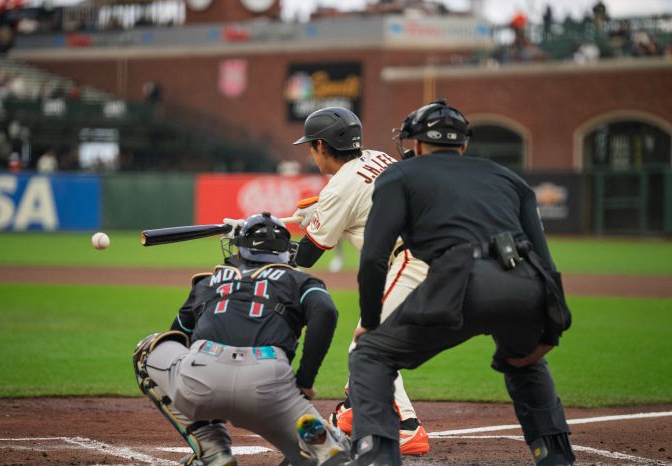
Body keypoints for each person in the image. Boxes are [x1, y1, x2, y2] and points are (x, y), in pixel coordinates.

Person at [347, 99, 574, 466]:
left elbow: (374, 257)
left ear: (416, 145)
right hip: (526, 284)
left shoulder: (400, 175)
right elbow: (546, 263)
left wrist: (371, 323)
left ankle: (379, 456)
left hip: (460, 281)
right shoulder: (509, 178)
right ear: (463, 145)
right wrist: (550, 334)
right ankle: (556, 457)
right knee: (524, 361)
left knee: (371, 354)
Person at [132, 212, 352, 466]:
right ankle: (319, 445)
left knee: (147, 350)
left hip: (202, 376)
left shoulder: (207, 282)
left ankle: (212, 448)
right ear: (284, 253)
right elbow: (325, 311)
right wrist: (305, 380)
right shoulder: (299, 281)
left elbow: (177, 338)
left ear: (240, 250)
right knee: (308, 449)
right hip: (268, 382)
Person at [291, 107, 430, 456]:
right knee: (369, 343)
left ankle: (407, 427)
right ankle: (354, 409)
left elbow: (305, 258)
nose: (311, 151)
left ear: (323, 146)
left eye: (311, 145)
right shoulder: (377, 156)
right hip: (437, 250)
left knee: (368, 346)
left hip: (411, 259)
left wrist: (260, 239)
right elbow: (361, 199)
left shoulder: (339, 188)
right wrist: (320, 210)